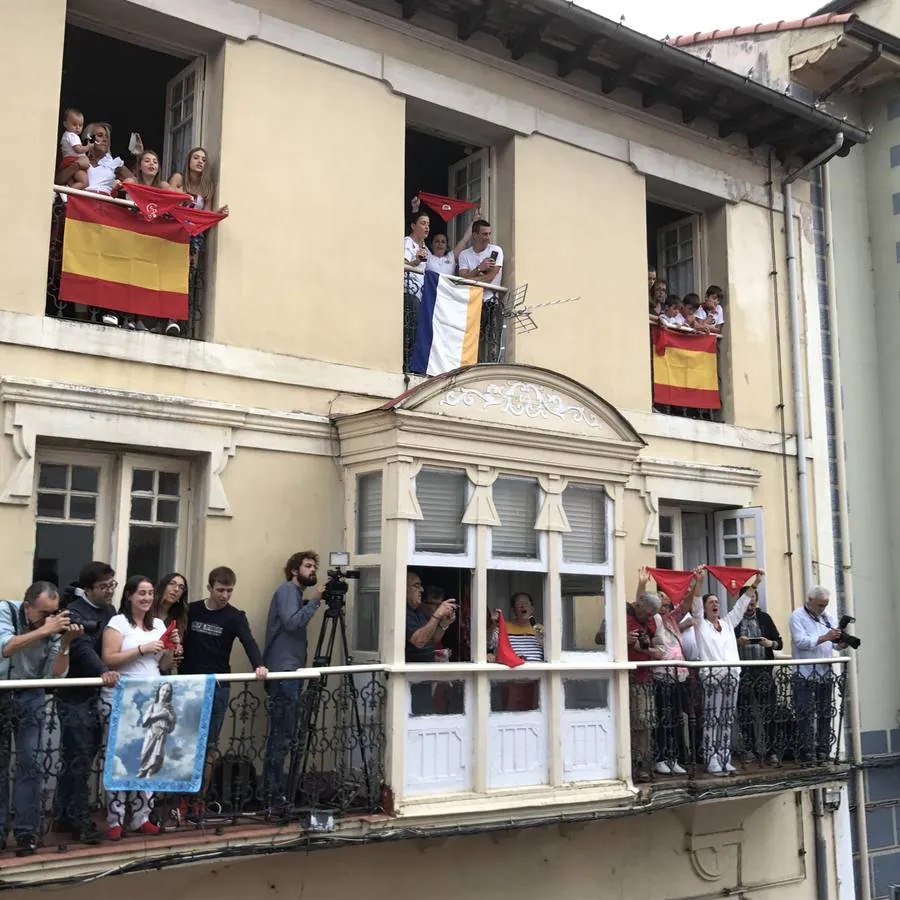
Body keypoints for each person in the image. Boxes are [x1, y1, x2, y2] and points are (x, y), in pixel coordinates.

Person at [0, 582, 82, 855]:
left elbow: (54, 675)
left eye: (54, 612)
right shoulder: (6, 611)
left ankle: (26, 832)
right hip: (2, 690)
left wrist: (65, 644)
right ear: (27, 607)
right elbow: (6, 647)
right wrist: (45, 629)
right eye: (44, 612)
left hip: (30, 696)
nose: (51, 618)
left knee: (31, 765)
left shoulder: (52, 627)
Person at [180, 567, 267, 797]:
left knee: (208, 745)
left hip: (218, 686)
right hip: (188, 683)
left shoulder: (235, 616)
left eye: (229, 591)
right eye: (220, 590)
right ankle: (178, 798)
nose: (225, 596)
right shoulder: (193, 610)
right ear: (209, 588)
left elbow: (249, 642)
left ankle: (198, 799)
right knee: (184, 743)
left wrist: (259, 665)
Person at [101, 575, 173, 838]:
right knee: (120, 757)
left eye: (151, 593)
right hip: (123, 697)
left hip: (153, 698)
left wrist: (170, 651)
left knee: (148, 758)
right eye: (141, 593)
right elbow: (109, 659)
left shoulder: (159, 625)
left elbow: (163, 666)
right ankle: (115, 820)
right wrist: (141, 649)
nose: (146, 598)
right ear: (129, 595)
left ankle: (142, 815)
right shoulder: (118, 623)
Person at [54, 561, 120, 843]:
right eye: (104, 587)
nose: (109, 591)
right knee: (78, 758)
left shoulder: (110, 611)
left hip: (98, 695)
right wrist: (103, 672)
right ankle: (79, 822)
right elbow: (80, 648)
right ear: (87, 588)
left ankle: (62, 814)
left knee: (83, 756)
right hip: (75, 695)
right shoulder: (74, 613)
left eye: (112, 585)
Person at [262, 551, 325, 806]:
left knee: (286, 733)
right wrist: (316, 601)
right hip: (284, 672)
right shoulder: (288, 590)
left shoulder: (296, 594)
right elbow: (291, 623)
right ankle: (273, 795)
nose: (312, 570)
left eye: (314, 566)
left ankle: (277, 791)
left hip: (291, 670)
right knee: (282, 734)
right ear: (294, 570)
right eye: (308, 566)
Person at [56, 123, 134, 328]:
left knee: (107, 261)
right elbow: (58, 180)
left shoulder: (114, 163)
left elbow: (134, 181)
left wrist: (122, 184)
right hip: (82, 212)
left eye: (106, 136)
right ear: (89, 139)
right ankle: (80, 315)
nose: (104, 139)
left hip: (106, 213)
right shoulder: (78, 159)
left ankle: (108, 311)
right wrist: (76, 166)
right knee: (81, 261)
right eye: (99, 135)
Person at [691, 578, 756, 776]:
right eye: (711, 602)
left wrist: (755, 585)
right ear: (704, 608)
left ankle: (724, 757)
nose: (715, 604)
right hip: (712, 676)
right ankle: (711, 758)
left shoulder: (727, 624)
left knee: (727, 718)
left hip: (731, 675)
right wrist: (698, 582)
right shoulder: (700, 624)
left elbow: (739, 608)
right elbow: (694, 604)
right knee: (712, 717)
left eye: (717, 602)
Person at [168, 147, 230, 338]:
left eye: (203, 159)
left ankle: (176, 320)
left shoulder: (207, 187)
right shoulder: (178, 179)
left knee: (187, 276)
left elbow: (206, 215)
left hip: (194, 236)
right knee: (170, 272)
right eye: (196, 157)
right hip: (173, 232)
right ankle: (165, 318)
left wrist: (218, 214)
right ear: (188, 160)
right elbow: (168, 200)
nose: (200, 161)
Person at [648, 567, 703, 776]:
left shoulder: (671, 619)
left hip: (680, 675)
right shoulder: (655, 620)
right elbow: (641, 604)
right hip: (662, 675)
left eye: (666, 604)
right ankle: (660, 757)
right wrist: (643, 585)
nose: (664, 608)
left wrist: (696, 583)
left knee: (677, 718)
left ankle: (675, 757)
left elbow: (687, 604)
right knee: (663, 718)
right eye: (660, 604)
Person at [789, 586, 843, 765]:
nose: (822, 609)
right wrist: (825, 637)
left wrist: (842, 643)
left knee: (825, 714)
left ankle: (823, 750)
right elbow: (801, 642)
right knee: (804, 714)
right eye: (820, 605)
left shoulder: (828, 618)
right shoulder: (797, 616)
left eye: (825, 605)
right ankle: (808, 751)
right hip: (804, 674)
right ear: (809, 600)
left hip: (824, 673)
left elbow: (834, 645)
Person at [734, 575, 781, 766]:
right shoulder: (733, 620)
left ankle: (771, 751)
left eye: (754, 600)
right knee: (745, 712)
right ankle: (749, 749)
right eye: (748, 599)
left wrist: (769, 643)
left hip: (763, 670)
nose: (751, 603)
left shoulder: (764, 618)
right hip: (743, 671)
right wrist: (737, 641)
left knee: (768, 712)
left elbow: (779, 643)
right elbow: (724, 642)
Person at [627, 587, 665, 782]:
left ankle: (642, 764)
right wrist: (625, 640)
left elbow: (661, 649)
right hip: (625, 678)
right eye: (647, 613)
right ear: (639, 604)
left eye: (652, 615)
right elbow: (600, 638)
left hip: (644, 679)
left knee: (645, 723)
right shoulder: (621, 613)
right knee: (629, 723)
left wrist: (648, 651)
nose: (647, 618)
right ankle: (628, 764)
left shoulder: (652, 622)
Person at [405, 571, 456, 715]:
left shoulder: (417, 612)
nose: (422, 590)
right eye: (416, 586)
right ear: (404, 588)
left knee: (425, 714)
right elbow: (419, 641)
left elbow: (432, 639)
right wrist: (437, 615)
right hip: (410, 681)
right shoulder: (402, 611)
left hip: (423, 678)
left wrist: (444, 623)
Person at [488, 593, 543, 711]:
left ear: (532, 608)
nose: (523, 606)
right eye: (519, 604)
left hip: (536, 679)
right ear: (513, 610)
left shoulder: (540, 629)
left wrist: (542, 639)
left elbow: (552, 653)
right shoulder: (504, 627)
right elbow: (489, 643)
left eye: (527, 604)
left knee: (534, 713)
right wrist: (493, 624)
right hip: (510, 679)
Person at [458, 219, 504, 359]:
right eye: (484, 234)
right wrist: (479, 268)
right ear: (475, 235)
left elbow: (491, 277)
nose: (487, 237)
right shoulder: (464, 255)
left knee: (491, 338)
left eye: (489, 234)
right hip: (471, 301)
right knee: (472, 337)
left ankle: (489, 365)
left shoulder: (496, 250)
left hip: (491, 301)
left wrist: (470, 279)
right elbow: (462, 277)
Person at [138, 683, 177, 779]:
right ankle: (143, 770)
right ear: (159, 691)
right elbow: (145, 721)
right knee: (145, 753)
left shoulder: (169, 709)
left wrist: (168, 715)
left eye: (168, 691)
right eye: (163, 690)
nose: (165, 693)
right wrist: (160, 714)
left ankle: (150, 773)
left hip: (162, 733)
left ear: (170, 694)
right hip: (151, 732)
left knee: (157, 754)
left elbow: (172, 723)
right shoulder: (153, 706)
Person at [58, 108, 89, 190]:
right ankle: (68, 194)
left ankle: (68, 191)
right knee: (84, 182)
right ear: (65, 124)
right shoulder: (72, 136)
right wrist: (88, 147)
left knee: (72, 181)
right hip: (73, 160)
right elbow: (78, 149)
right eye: (74, 124)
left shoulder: (66, 135)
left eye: (80, 125)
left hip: (68, 161)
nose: (78, 127)